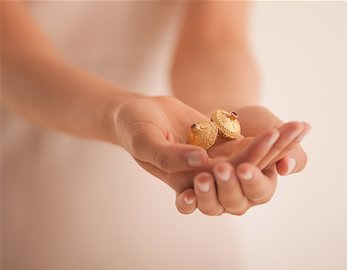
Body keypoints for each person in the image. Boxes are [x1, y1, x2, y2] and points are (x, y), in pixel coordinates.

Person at [2, 1, 310, 217]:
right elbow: (11, 55)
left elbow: (217, 36)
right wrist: (119, 112)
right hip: (28, 200)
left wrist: (222, 108)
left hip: (175, 199)